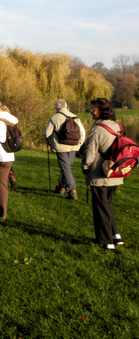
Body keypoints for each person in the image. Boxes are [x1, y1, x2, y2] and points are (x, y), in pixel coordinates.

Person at [81, 97, 124, 250]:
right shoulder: (117, 126)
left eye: (93, 109)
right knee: (106, 205)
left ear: (101, 111)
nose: (90, 112)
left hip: (100, 174)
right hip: (115, 172)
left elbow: (90, 152)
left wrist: (85, 166)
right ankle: (115, 235)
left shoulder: (97, 128)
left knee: (100, 207)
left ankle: (106, 241)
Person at [45, 99, 85, 200]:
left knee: (65, 168)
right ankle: (61, 187)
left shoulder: (54, 117)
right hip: (74, 146)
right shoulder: (75, 117)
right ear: (66, 106)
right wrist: (79, 144)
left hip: (60, 146)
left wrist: (49, 141)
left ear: (57, 107)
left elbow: (47, 133)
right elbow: (82, 132)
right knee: (66, 167)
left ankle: (72, 190)